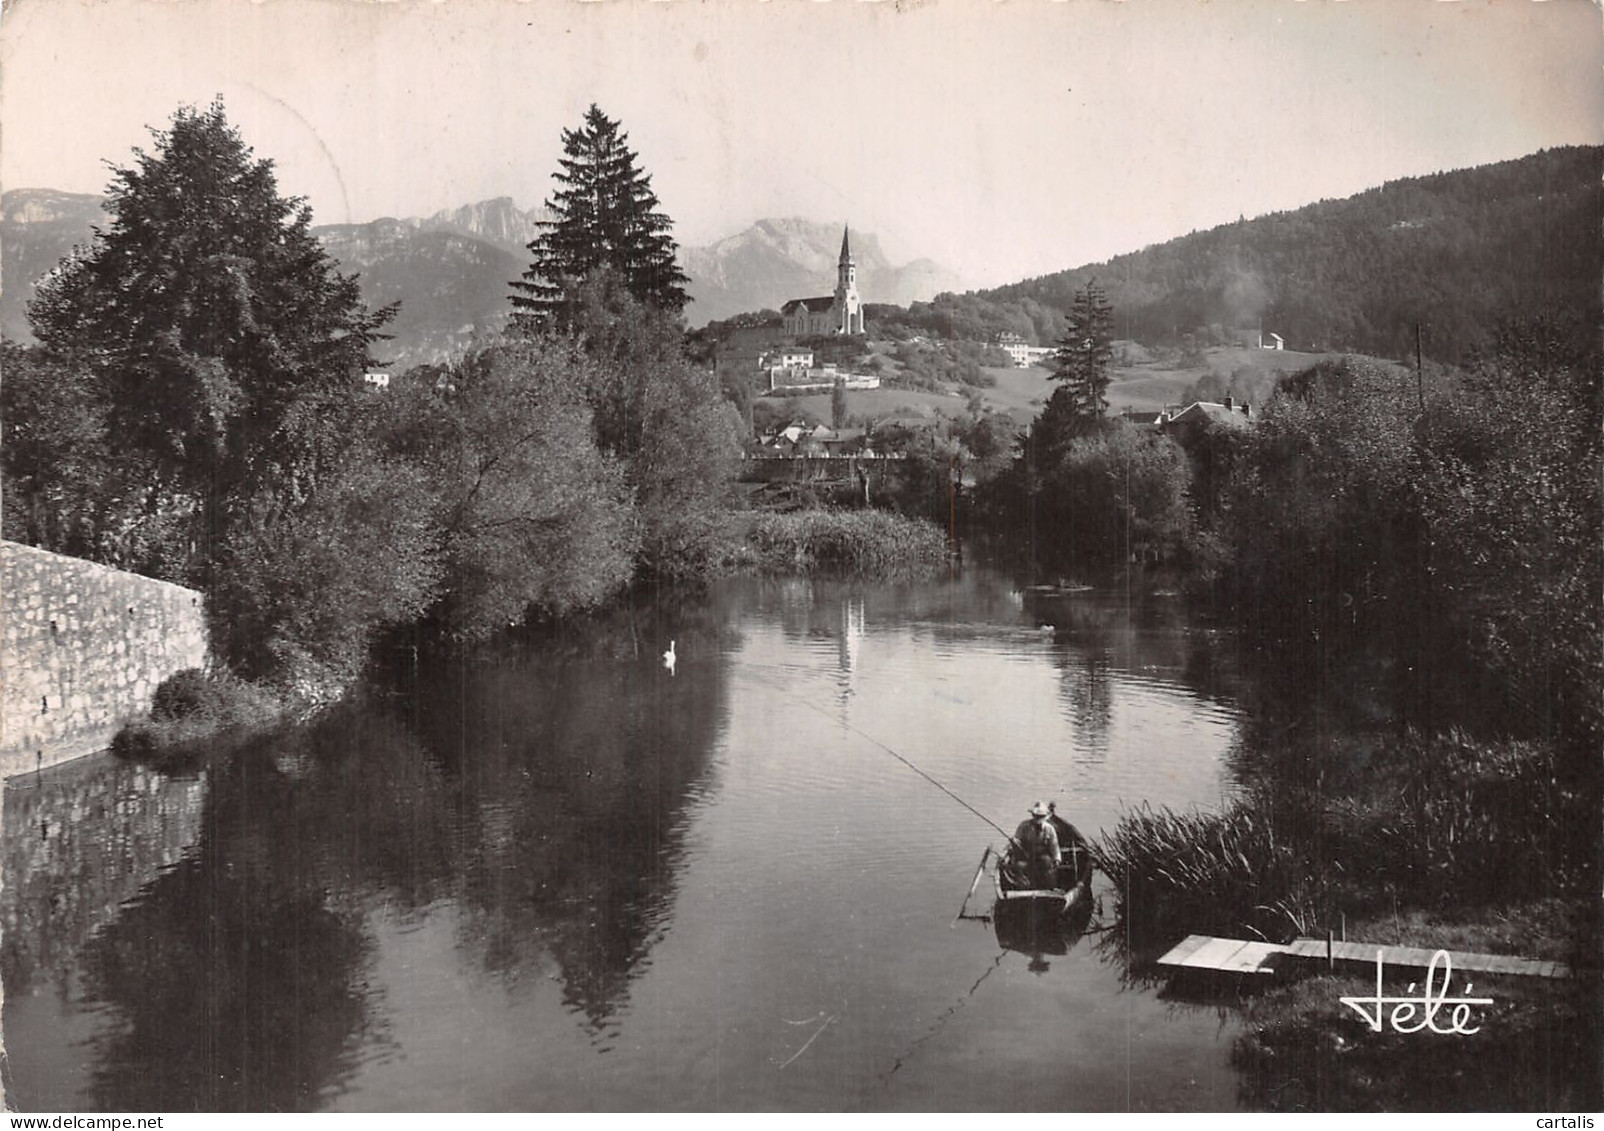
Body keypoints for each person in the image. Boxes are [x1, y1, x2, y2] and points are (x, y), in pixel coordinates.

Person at [1012, 801, 1061, 889]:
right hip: (1027, 854)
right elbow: (1017, 839)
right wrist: (1015, 841)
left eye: (1041, 816)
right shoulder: (1024, 826)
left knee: (1048, 865)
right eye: (1036, 816)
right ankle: (1023, 888)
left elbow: (1054, 845)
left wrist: (1057, 858)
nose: (1038, 819)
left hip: (1043, 855)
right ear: (1033, 816)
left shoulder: (1049, 829)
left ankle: (1051, 888)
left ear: (1045, 817)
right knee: (1019, 866)